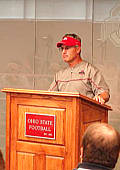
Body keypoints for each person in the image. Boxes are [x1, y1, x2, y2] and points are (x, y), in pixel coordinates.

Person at [49, 33, 110, 104]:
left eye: (67, 48)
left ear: (78, 49)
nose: (63, 52)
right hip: (64, 114)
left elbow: (105, 93)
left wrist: (100, 97)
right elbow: (49, 96)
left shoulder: (90, 70)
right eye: (62, 49)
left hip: (84, 113)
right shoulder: (59, 75)